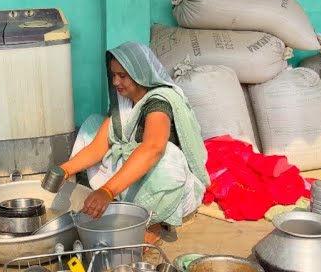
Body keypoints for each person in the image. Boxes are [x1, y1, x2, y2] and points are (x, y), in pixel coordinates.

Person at [51, 41, 210, 244]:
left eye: (123, 76)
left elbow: (152, 149)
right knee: (92, 124)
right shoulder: (124, 102)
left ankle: (156, 224)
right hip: (134, 174)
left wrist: (107, 191)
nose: (116, 82)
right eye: (114, 75)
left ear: (140, 73)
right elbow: (99, 146)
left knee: (166, 156)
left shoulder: (159, 102)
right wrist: (63, 170)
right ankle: (120, 201)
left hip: (171, 187)